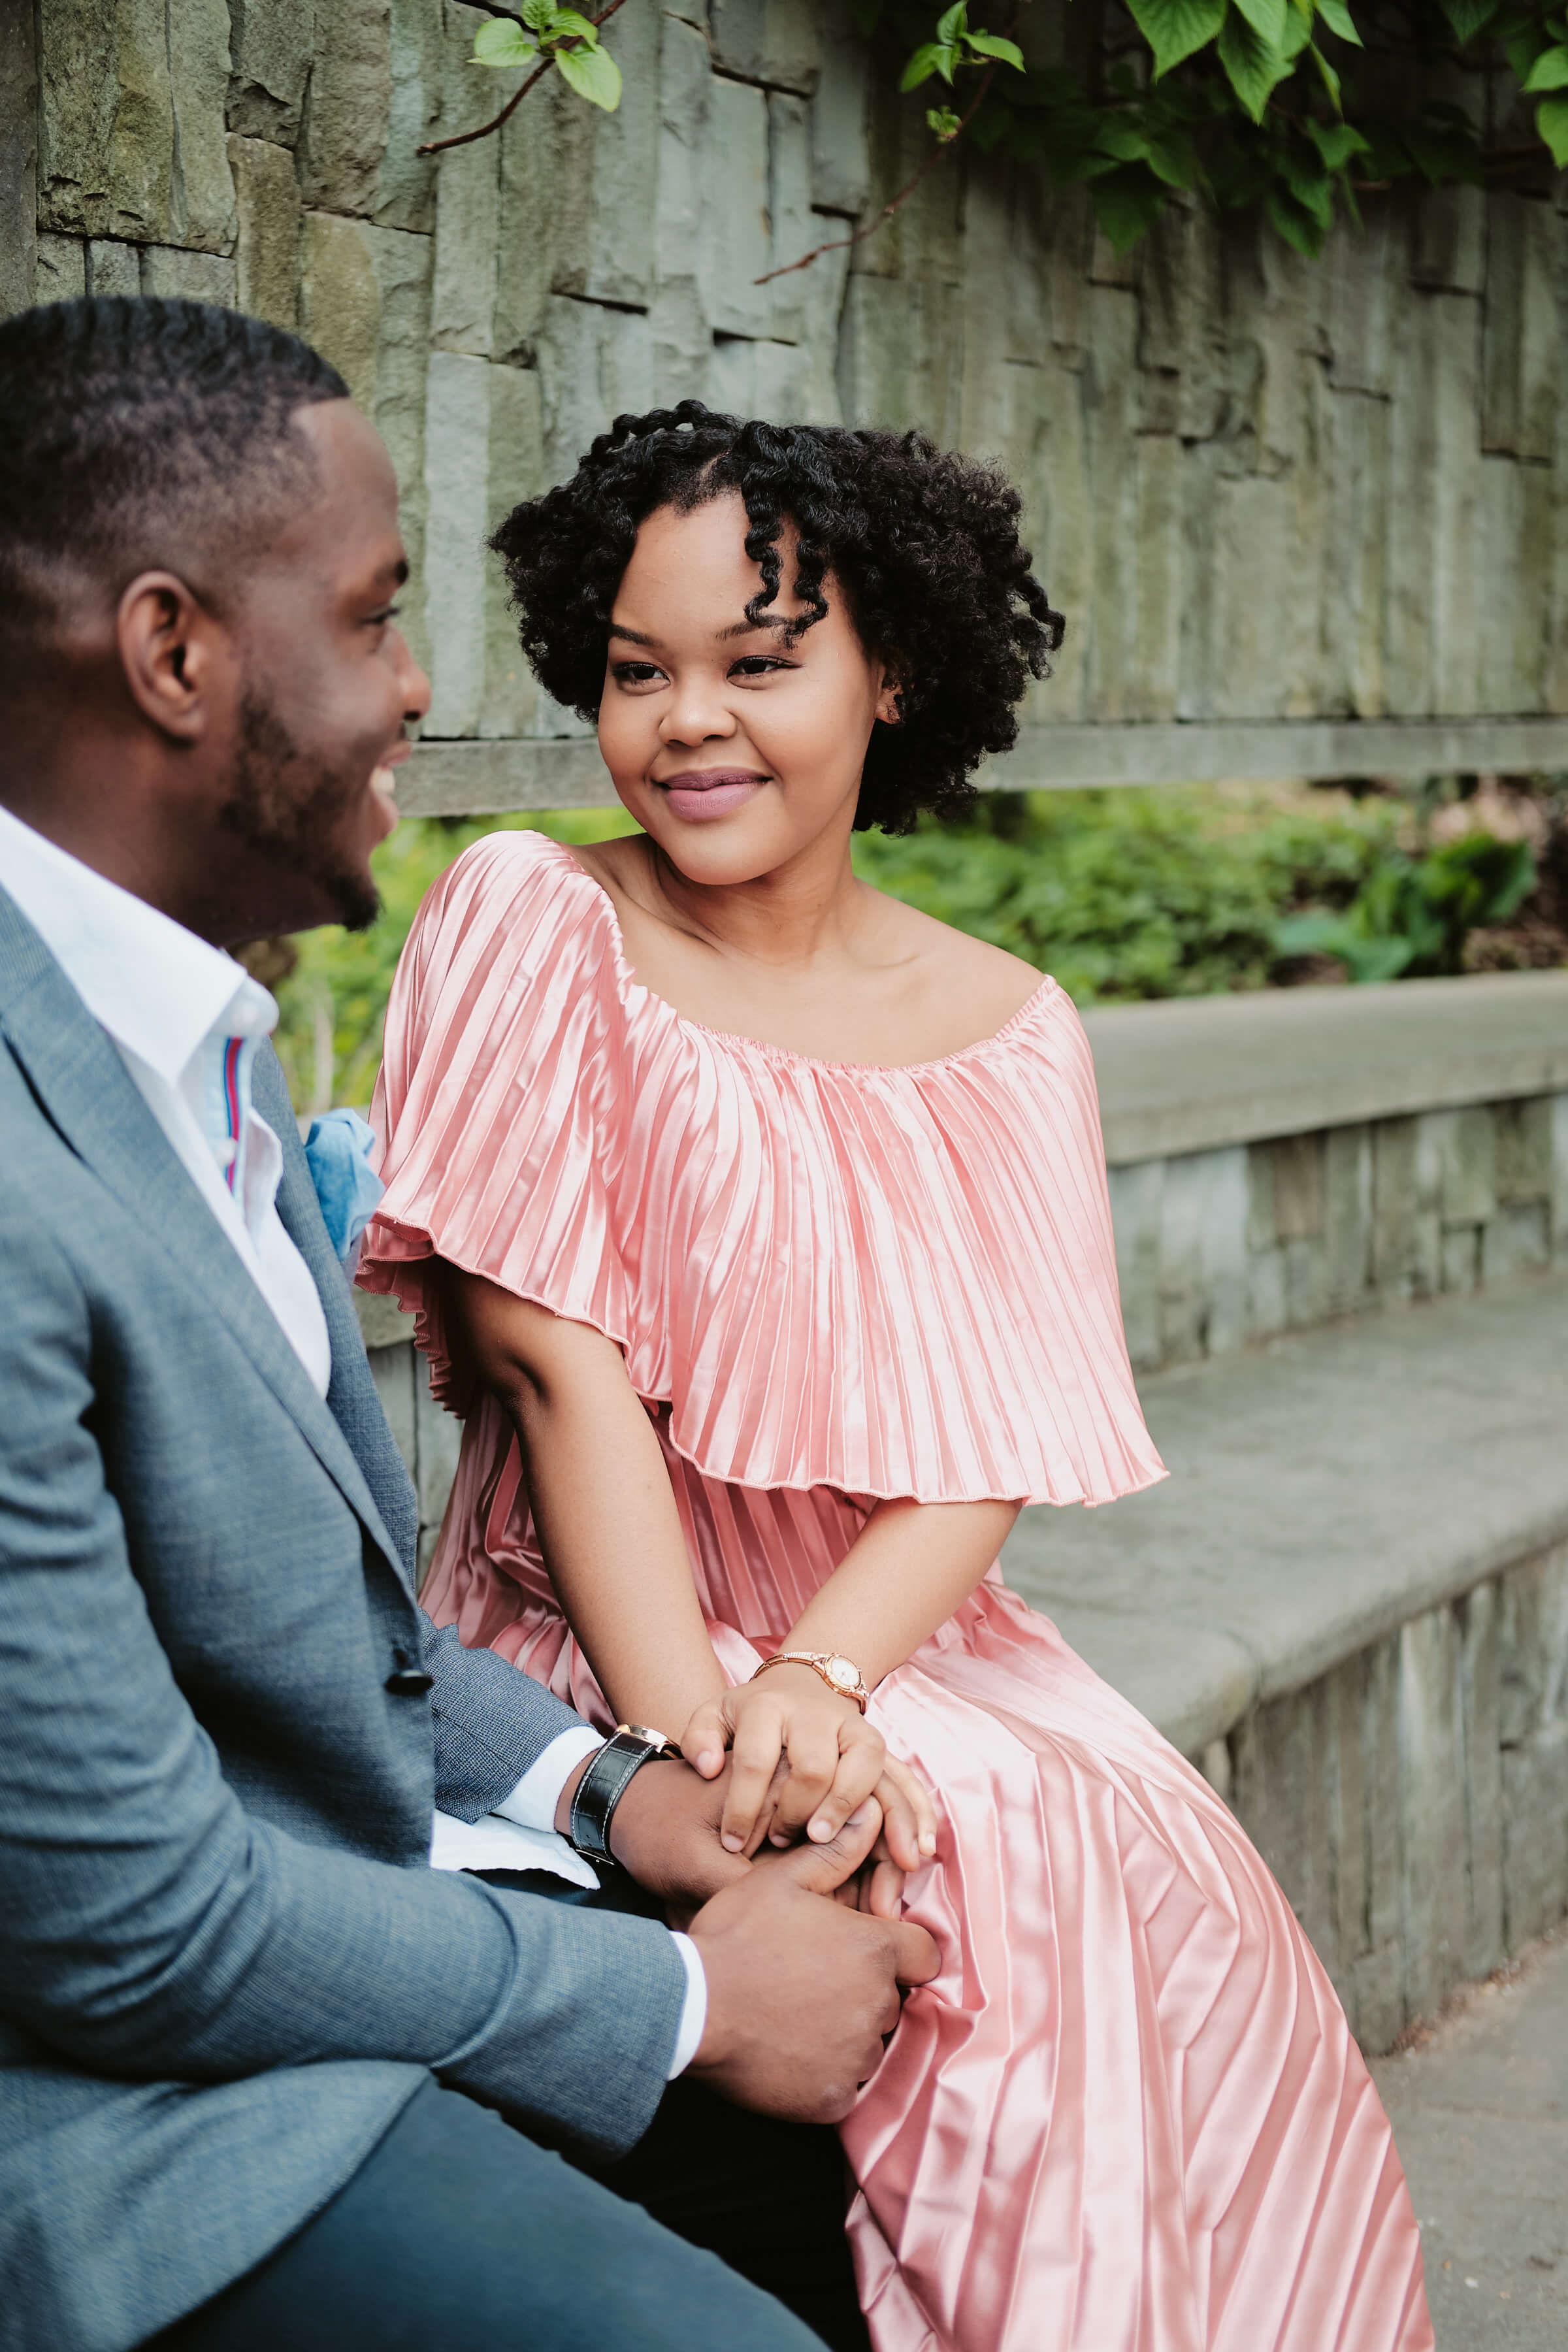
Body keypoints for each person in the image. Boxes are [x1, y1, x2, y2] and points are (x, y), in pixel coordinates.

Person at [361, 404, 1437, 2352]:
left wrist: (828, 1676)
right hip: (594, 1630)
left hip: (883, 1638)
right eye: (637, 671)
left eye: (759, 664)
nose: (691, 720)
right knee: (951, 1842)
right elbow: (553, 1366)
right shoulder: (534, 920)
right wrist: (718, 1745)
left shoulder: (1011, 1032)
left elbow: (976, 1455)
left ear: (894, 671)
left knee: (1129, 1852)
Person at [0, 302, 939, 2352]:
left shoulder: (178, 1040)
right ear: (175, 655)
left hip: (311, 1943)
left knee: (851, 2151)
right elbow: (129, 1933)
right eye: (370, 617)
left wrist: (622, 1798)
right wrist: (688, 2002)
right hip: (104, 2129)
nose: (420, 688)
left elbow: (322, 1629)